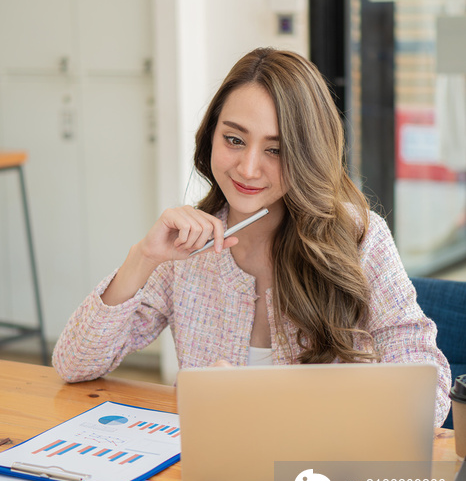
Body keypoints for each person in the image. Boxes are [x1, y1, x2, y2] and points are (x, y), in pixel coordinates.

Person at [52, 47, 451, 426]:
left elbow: (428, 393)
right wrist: (142, 258)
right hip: (209, 477)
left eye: (275, 150)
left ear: (307, 155)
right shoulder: (188, 247)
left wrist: (269, 398)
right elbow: (74, 364)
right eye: (234, 140)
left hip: (320, 480)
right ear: (211, 137)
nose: (247, 168)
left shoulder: (358, 236)